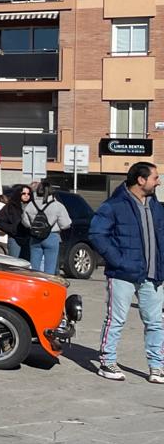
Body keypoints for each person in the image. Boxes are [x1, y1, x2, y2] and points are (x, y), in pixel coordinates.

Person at [89, 161, 164, 384]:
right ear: (141, 180)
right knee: (116, 319)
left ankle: (156, 366)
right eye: (155, 177)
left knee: (156, 322)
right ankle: (107, 361)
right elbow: (97, 234)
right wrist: (118, 260)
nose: (158, 181)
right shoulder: (114, 204)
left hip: (153, 276)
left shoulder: (155, 204)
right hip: (122, 274)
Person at [25, 180, 72, 277]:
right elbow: (65, 224)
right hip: (52, 236)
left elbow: (24, 222)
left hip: (35, 237)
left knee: (34, 268)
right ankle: (47, 288)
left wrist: (33, 226)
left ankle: (35, 287)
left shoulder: (30, 205)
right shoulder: (57, 206)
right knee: (50, 269)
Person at [0, 184, 33, 260]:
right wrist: (12, 229)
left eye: (28, 194)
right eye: (24, 193)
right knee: (14, 261)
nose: (26, 196)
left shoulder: (33, 206)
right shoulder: (10, 206)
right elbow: (0, 221)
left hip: (29, 238)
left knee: (27, 263)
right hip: (14, 238)